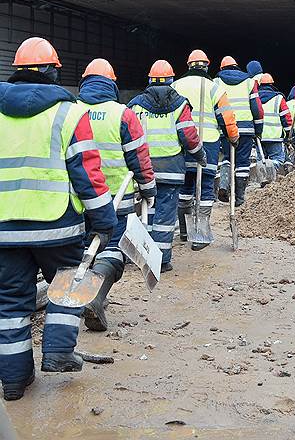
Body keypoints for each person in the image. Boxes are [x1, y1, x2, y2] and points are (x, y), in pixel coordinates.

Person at [0, 37, 116, 400]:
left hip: (5, 230)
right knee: (67, 286)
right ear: (53, 72)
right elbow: (87, 174)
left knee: (9, 304)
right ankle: (59, 352)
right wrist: (104, 218)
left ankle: (15, 381)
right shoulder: (70, 113)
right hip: (57, 225)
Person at [76, 59, 156, 331]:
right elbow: (139, 158)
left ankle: (76, 296)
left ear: (84, 82)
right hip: (115, 199)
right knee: (112, 250)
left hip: (77, 198)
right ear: (112, 83)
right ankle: (96, 296)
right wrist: (148, 188)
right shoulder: (123, 115)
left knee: (82, 247)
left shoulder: (71, 111)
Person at [128, 60, 206, 273]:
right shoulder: (180, 104)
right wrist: (200, 154)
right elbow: (189, 136)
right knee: (165, 217)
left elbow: (126, 135)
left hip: (144, 169)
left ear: (150, 80)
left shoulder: (135, 105)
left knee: (147, 212)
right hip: (171, 169)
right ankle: (161, 261)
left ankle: (143, 255)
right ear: (171, 80)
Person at [171, 49, 238, 250]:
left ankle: (184, 229)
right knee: (206, 186)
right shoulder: (214, 87)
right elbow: (226, 117)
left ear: (189, 66)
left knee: (185, 186)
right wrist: (233, 137)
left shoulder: (175, 86)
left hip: (182, 143)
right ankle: (200, 233)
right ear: (206, 66)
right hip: (207, 144)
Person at [213, 57, 264, 207]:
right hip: (246, 130)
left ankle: (223, 185)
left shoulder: (216, 82)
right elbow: (257, 109)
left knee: (228, 157)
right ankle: (239, 198)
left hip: (226, 129)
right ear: (237, 66)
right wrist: (258, 130)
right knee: (242, 162)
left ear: (222, 69)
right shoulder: (249, 82)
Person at [257, 73, 292, 173]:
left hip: (259, 137)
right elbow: (286, 118)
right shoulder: (278, 99)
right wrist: (288, 134)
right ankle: (270, 173)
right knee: (278, 160)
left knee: (261, 160)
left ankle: (264, 177)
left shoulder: (255, 98)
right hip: (274, 137)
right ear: (272, 85)